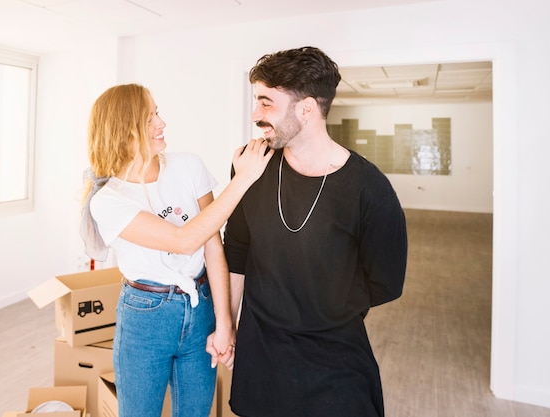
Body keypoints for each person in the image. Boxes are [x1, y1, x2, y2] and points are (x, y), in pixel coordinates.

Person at [223, 47, 408, 417]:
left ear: (306, 109)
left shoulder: (368, 188)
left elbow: (386, 282)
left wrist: (324, 307)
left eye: (266, 103)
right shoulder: (250, 167)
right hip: (261, 358)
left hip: (334, 360)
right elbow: (238, 251)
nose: (255, 115)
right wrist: (227, 324)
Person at [79, 83, 273, 417]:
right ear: (124, 129)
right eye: (150, 116)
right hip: (145, 318)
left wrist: (225, 322)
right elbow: (184, 240)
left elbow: (212, 244)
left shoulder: (187, 166)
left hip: (201, 308)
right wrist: (242, 180)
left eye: (158, 112)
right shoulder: (108, 201)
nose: (162, 122)